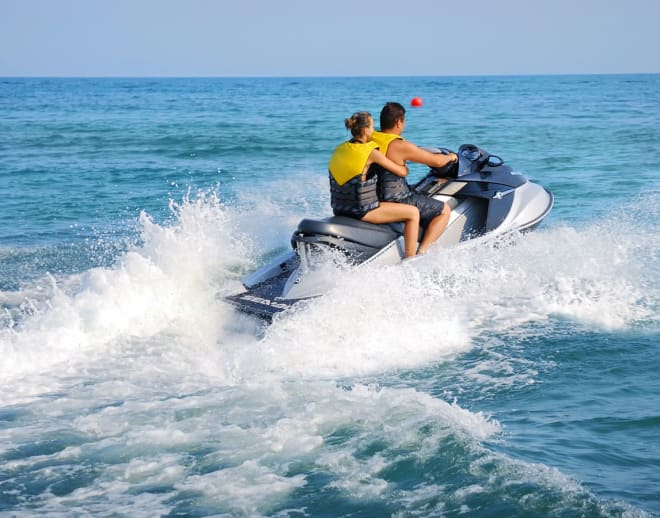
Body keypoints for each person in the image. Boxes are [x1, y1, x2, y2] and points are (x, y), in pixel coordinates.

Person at [328, 111, 421, 258]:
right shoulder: (371, 152)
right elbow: (401, 172)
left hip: (339, 209)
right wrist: (404, 166)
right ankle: (411, 259)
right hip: (361, 211)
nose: (374, 131)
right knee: (413, 213)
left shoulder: (340, 149)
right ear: (365, 130)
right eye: (372, 127)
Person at [371, 101, 458, 254]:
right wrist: (451, 157)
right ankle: (422, 251)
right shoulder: (399, 145)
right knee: (444, 210)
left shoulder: (371, 140)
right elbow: (436, 161)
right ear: (399, 122)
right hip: (396, 198)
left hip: (375, 196)